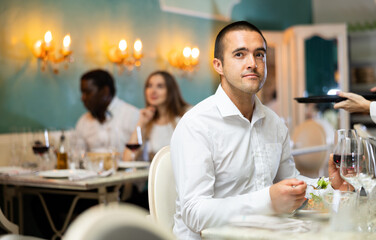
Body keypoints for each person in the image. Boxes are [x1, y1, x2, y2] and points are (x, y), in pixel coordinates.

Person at [170, 21, 310, 239]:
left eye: (259, 54)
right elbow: (194, 213)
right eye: (240, 54)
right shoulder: (196, 125)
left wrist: (329, 187)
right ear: (218, 65)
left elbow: (291, 181)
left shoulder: (274, 123)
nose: (252, 63)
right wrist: (269, 200)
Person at [122, 70, 189, 162]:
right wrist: (141, 123)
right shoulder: (147, 121)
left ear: (170, 90)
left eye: (160, 86)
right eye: (149, 86)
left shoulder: (186, 115)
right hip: (152, 175)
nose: (153, 91)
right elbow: (128, 159)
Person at [76, 69, 139, 153]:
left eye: (88, 92)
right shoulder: (83, 121)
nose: (83, 98)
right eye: (82, 93)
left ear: (105, 91)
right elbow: (78, 156)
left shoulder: (132, 115)